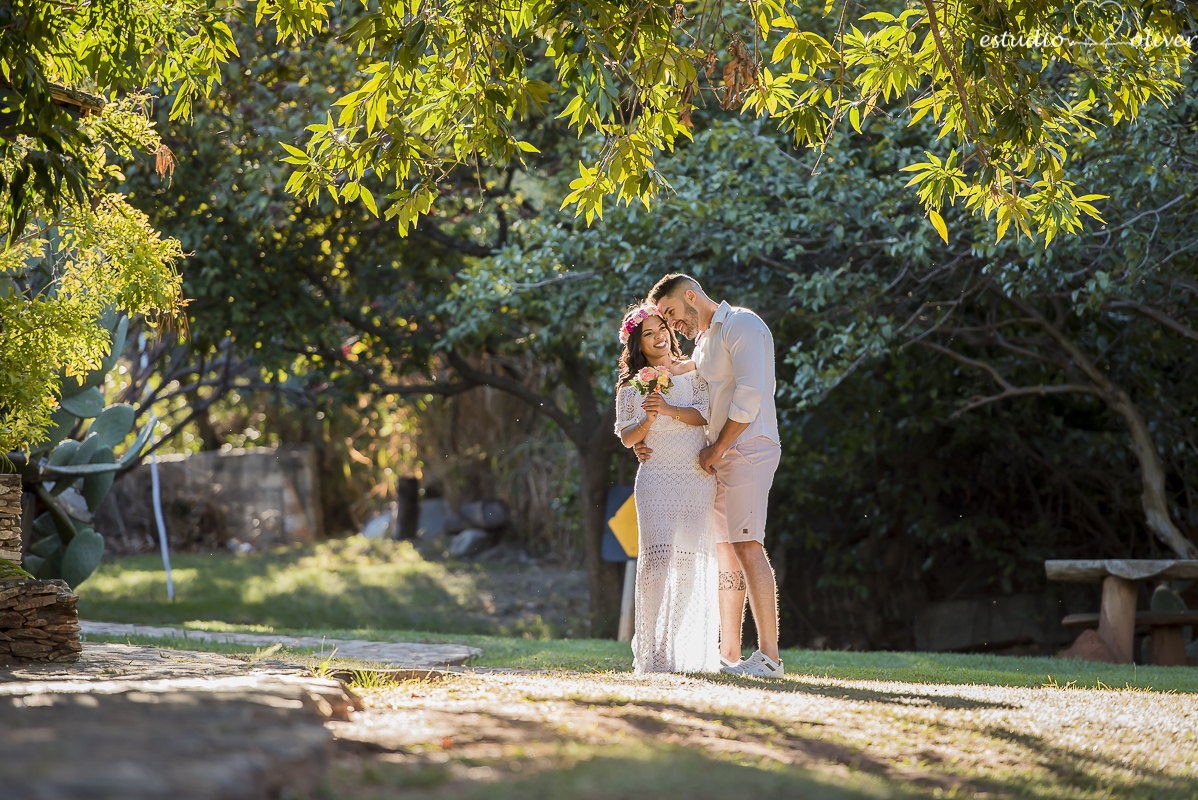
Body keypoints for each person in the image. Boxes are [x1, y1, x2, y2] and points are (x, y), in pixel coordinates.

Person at [640, 274, 784, 678]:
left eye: (670, 313)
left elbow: (752, 392)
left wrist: (718, 448)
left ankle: (770, 658)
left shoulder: (742, 324)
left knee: (749, 546)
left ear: (690, 295)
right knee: (726, 551)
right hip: (720, 458)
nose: (672, 324)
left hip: (748, 449)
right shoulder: (705, 342)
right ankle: (731, 654)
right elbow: (681, 369)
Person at [613, 303, 721, 674]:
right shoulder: (632, 385)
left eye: (662, 328)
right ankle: (652, 650)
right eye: (648, 332)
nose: (659, 335)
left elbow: (705, 414)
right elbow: (627, 437)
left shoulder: (693, 371)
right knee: (657, 565)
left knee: (688, 567)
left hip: (695, 476)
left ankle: (674, 646)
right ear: (637, 344)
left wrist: (670, 409)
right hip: (656, 479)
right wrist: (648, 419)